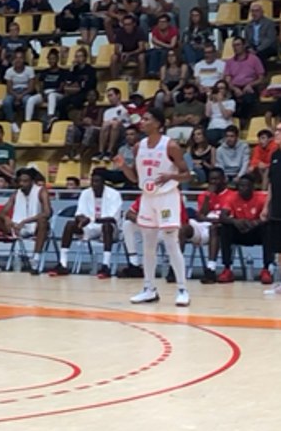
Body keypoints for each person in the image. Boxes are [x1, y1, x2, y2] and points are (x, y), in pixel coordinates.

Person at [120, 109, 193, 306]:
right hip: (147, 197)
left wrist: (171, 176)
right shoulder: (138, 147)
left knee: (171, 243)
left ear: (159, 124)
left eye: (146, 119)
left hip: (167, 197)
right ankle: (149, 288)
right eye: (142, 119)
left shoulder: (171, 146)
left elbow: (187, 174)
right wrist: (123, 167)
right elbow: (136, 178)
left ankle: (182, 289)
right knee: (148, 245)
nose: (142, 122)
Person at [0, 168, 51, 273]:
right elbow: (2, 212)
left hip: (35, 227)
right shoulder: (16, 193)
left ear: (32, 181)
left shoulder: (41, 191)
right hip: (16, 227)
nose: (22, 184)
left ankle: (35, 260)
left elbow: (47, 213)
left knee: (43, 222)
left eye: (25, 181)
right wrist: (7, 218)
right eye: (20, 181)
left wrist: (25, 221)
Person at [58, 170, 122, 277]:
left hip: (109, 229)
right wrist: (81, 220)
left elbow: (112, 218)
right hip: (90, 227)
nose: (94, 184)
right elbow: (79, 213)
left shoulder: (114, 194)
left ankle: (106, 265)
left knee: (107, 227)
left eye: (97, 181)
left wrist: (90, 219)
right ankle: (62, 263)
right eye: (92, 181)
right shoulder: (85, 193)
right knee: (70, 224)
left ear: (103, 182)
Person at [214, 174, 270, 284]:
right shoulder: (232, 197)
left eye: (246, 186)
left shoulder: (261, 198)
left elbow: (269, 216)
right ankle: (227, 269)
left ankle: (266, 269)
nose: (243, 189)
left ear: (252, 187)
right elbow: (222, 216)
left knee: (268, 229)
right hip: (239, 231)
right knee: (225, 228)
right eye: (240, 186)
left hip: (256, 232)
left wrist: (256, 222)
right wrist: (235, 221)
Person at [193, 168, 231, 284]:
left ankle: (211, 269)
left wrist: (210, 219)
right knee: (183, 228)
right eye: (211, 180)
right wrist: (208, 196)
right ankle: (173, 270)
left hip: (220, 230)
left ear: (224, 180)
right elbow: (200, 216)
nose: (213, 182)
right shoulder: (204, 195)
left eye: (216, 179)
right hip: (203, 226)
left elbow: (225, 218)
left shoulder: (231, 195)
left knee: (215, 228)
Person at [225, 35, 266, 119]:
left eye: (238, 45)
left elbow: (261, 78)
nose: (236, 47)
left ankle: (243, 119)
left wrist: (250, 85)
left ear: (244, 45)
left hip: (250, 86)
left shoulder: (254, 59)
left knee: (248, 100)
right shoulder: (229, 62)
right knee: (230, 102)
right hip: (234, 88)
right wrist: (234, 88)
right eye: (234, 45)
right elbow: (227, 79)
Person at [27, 47, 66, 129]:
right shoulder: (44, 72)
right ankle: (28, 122)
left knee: (52, 95)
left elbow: (61, 87)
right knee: (31, 99)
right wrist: (42, 93)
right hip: (45, 93)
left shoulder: (62, 72)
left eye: (54, 59)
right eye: (50, 59)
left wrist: (50, 93)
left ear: (57, 59)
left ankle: (50, 117)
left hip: (57, 94)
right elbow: (40, 85)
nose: (52, 61)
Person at [59, 47, 98, 119]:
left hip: (86, 92)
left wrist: (80, 86)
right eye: (76, 56)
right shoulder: (75, 69)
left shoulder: (90, 69)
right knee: (61, 103)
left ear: (85, 58)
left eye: (80, 56)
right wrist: (71, 69)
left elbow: (92, 84)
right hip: (74, 92)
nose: (78, 58)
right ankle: (63, 119)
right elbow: (68, 81)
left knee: (75, 101)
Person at [2, 49, 35, 130]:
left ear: (24, 59)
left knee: (27, 101)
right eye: (16, 58)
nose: (18, 60)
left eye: (20, 58)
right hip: (13, 92)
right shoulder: (9, 71)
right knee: (6, 102)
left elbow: (31, 88)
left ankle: (26, 123)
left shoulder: (29, 70)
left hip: (26, 91)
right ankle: (12, 123)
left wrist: (21, 96)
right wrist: (17, 96)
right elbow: (9, 89)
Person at [65, 90, 102, 161]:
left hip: (93, 131)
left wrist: (91, 122)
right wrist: (84, 122)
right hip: (82, 129)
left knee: (90, 129)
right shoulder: (84, 109)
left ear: (97, 97)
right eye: (89, 95)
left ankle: (79, 153)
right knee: (71, 128)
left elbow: (99, 123)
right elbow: (77, 122)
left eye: (93, 95)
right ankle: (67, 153)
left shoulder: (100, 109)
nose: (91, 97)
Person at [265, 141, 281, 295]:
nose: (277, 133)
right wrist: (266, 206)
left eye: (280, 131)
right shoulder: (275, 155)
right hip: (277, 207)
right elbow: (271, 183)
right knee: (279, 248)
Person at [110, 14, 147, 79]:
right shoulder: (119, 32)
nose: (127, 27)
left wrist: (129, 54)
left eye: (129, 24)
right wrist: (121, 54)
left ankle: (142, 79)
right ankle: (114, 79)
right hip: (123, 53)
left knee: (142, 57)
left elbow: (141, 48)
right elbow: (116, 49)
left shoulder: (139, 31)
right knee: (114, 57)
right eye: (125, 25)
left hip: (136, 53)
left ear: (134, 24)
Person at [98, 87, 129, 159]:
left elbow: (126, 122)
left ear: (118, 95)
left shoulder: (125, 109)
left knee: (115, 124)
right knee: (106, 125)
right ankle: (101, 151)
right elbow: (105, 123)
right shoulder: (107, 111)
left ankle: (110, 151)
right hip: (109, 130)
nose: (109, 98)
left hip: (123, 130)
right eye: (108, 96)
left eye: (111, 95)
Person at [205, 81, 237, 145]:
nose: (219, 90)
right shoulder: (211, 103)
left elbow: (226, 116)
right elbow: (207, 114)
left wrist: (219, 101)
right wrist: (208, 98)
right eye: (217, 88)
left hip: (226, 127)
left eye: (222, 88)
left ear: (226, 90)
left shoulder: (231, 102)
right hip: (213, 127)